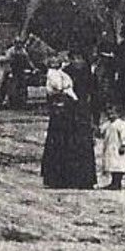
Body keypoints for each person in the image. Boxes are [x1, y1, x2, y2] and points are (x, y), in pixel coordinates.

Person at [41, 56, 96, 189]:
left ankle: (60, 177)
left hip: (67, 112)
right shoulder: (76, 72)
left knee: (61, 143)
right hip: (76, 112)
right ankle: (79, 178)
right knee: (74, 144)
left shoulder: (67, 71)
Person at [98, 105, 125, 190]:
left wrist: (123, 145)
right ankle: (113, 182)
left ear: (118, 114)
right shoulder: (108, 124)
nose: (110, 116)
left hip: (118, 147)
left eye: (112, 114)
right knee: (112, 165)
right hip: (110, 147)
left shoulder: (121, 124)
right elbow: (101, 131)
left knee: (118, 166)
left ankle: (117, 183)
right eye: (108, 114)